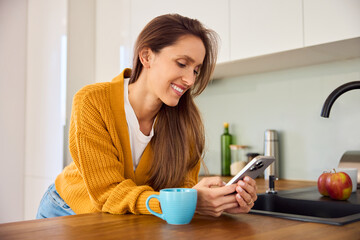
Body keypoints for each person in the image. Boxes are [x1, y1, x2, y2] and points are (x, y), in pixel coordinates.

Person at [36, 13, 257, 219]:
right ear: (146, 56)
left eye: (196, 70)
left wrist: (224, 200)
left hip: (130, 217)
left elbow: (182, 190)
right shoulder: (92, 102)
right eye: (182, 63)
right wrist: (187, 201)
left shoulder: (185, 120)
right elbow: (107, 193)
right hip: (67, 211)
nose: (190, 80)